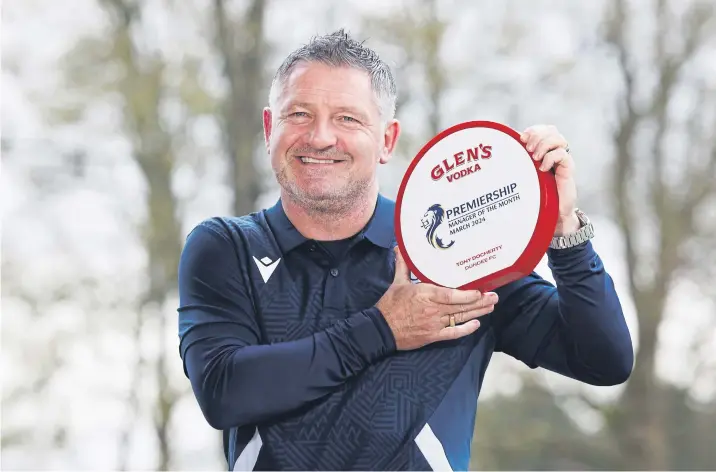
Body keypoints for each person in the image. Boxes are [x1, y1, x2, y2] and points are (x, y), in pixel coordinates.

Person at [177, 29, 633, 471]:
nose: (319, 137)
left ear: (387, 140)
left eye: (347, 118)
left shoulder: (453, 249)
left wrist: (564, 232)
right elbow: (223, 390)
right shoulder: (227, 246)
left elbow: (603, 360)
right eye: (298, 114)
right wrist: (384, 329)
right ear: (268, 127)